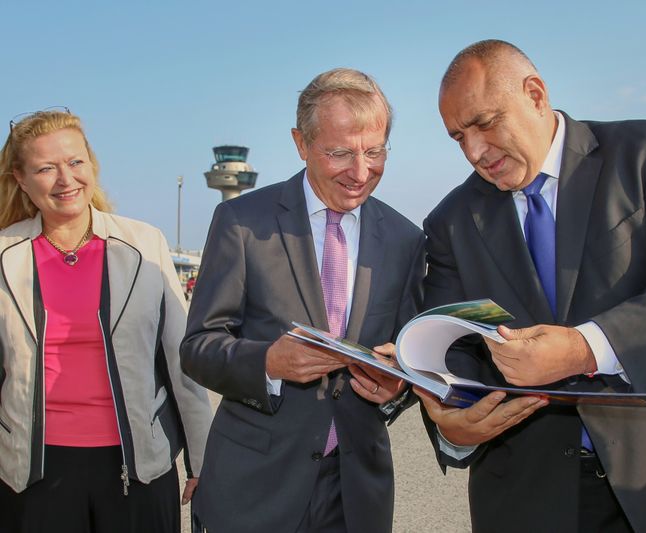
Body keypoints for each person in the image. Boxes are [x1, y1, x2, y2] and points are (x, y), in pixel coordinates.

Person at [416, 40, 646, 532]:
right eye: (457, 137)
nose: (474, 151)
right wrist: (453, 421)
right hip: (526, 491)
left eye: (486, 123)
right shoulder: (451, 221)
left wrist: (585, 347)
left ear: (535, 94)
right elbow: (452, 344)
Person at [180, 68, 425, 533]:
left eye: (374, 152)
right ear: (300, 143)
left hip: (356, 495)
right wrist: (268, 363)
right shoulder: (241, 220)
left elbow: (409, 356)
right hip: (255, 488)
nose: (360, 172)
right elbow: (197, 346)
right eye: (339, 153)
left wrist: (398, 387)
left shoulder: (406, 239)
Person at [0, 109, 212, 532]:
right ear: (21, 179)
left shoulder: (143, 243)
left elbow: (182, 362)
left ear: (91, 165)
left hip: (139, 468)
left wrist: (204, 461)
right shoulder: (5, 254)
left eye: (76, 162)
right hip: (29, 471)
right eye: (46, 168)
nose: (66, 180)